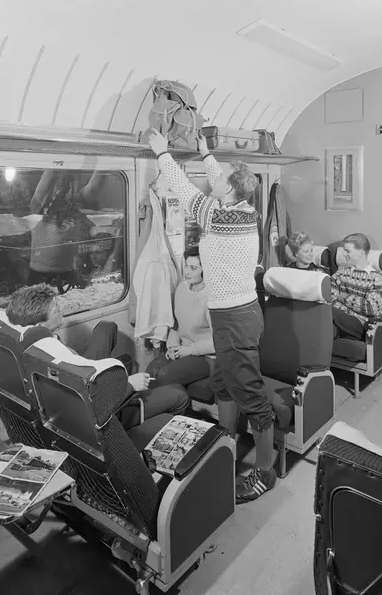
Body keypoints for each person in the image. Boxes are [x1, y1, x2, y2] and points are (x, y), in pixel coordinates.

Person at [148, 128, 275, 504]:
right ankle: (227, 444)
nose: (212, 181)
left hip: (236, 319)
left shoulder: (219, 216)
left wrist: (162, 153)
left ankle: (264, 473)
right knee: (222, 384)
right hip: (232, 316)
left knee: (251, 395)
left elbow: (185, 190)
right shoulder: (240, 209)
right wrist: (206, 154)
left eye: (219, 179)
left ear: (230, 190)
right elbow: (222, 180)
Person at [5, 284, 190, 430]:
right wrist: (130, 385)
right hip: (108, 413)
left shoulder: (35, 346)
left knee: (107, 328)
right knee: (179, 394)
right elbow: (94, 403)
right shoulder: (56, 359)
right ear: (39, 325)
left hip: (89, 382)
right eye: (55, 310)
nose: (61, 310)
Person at [147, 247, 215, 387]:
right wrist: (172, 347)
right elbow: (176, 325)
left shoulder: (212, 298)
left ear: (206, 270)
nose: (187, 272)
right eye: (186, 266)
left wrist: (191, 350)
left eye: (193, 268)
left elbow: (219, 341)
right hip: (183, 350)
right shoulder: (181, 289)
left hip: (207, 356)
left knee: (165, 375)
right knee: (150, 372)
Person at [331, 233, 382, 341]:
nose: (344, 254)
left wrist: (343, 297)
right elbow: (329, 297)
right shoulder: (341, 273)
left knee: (329, 312)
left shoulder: (377, 278)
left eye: (347, 251)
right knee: (326, 317)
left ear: (361, 252)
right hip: (340, 319)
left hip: (363, 325)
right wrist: (354, 308)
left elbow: (371, 308)